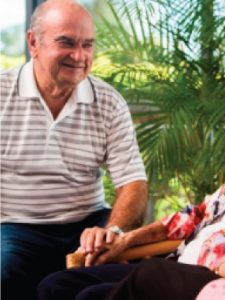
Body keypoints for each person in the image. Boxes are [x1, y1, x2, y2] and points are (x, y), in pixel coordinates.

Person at [37, 54, 225, 299]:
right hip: (179, 265)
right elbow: (195, 216)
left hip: (211, 278)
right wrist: (122, 239)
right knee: (56, 285)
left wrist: (222, 257)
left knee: (90, 296)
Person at [0, 1, 148, 299]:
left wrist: (113, 230)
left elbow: (133, 183)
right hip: (14, 225)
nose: (79, 56)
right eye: (66, 43)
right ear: (33, 42)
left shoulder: (108, 101)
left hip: (87, 222)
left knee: (135, 275)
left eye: (87, 45)